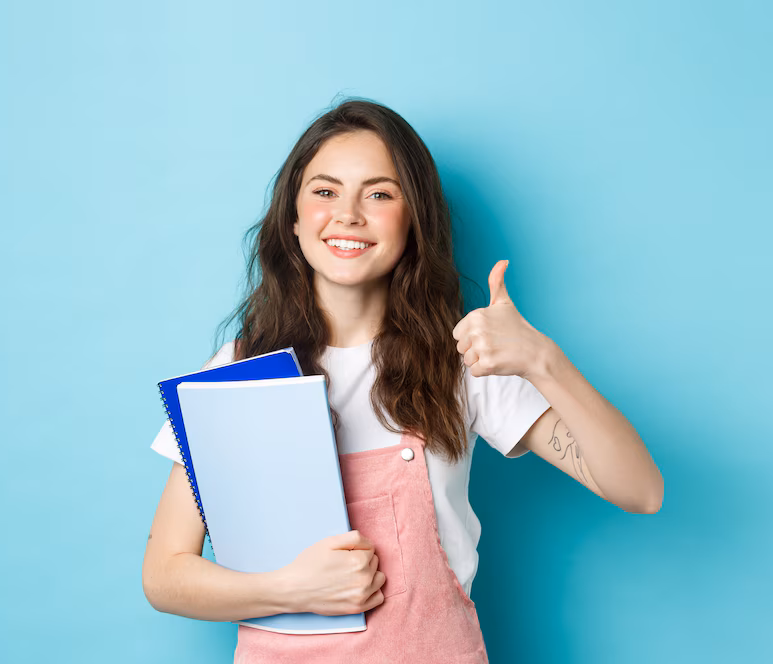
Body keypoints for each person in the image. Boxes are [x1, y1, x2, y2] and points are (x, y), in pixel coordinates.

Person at [142, 98, 664, 663]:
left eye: (379, 193)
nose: (348, 214)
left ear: (414, 220)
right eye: (324, 191)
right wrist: (292, 589)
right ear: (292, 221)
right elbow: (164, 575)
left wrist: (543, 361)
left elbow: (640, 490)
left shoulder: (464, 361)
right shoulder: (237, 374)